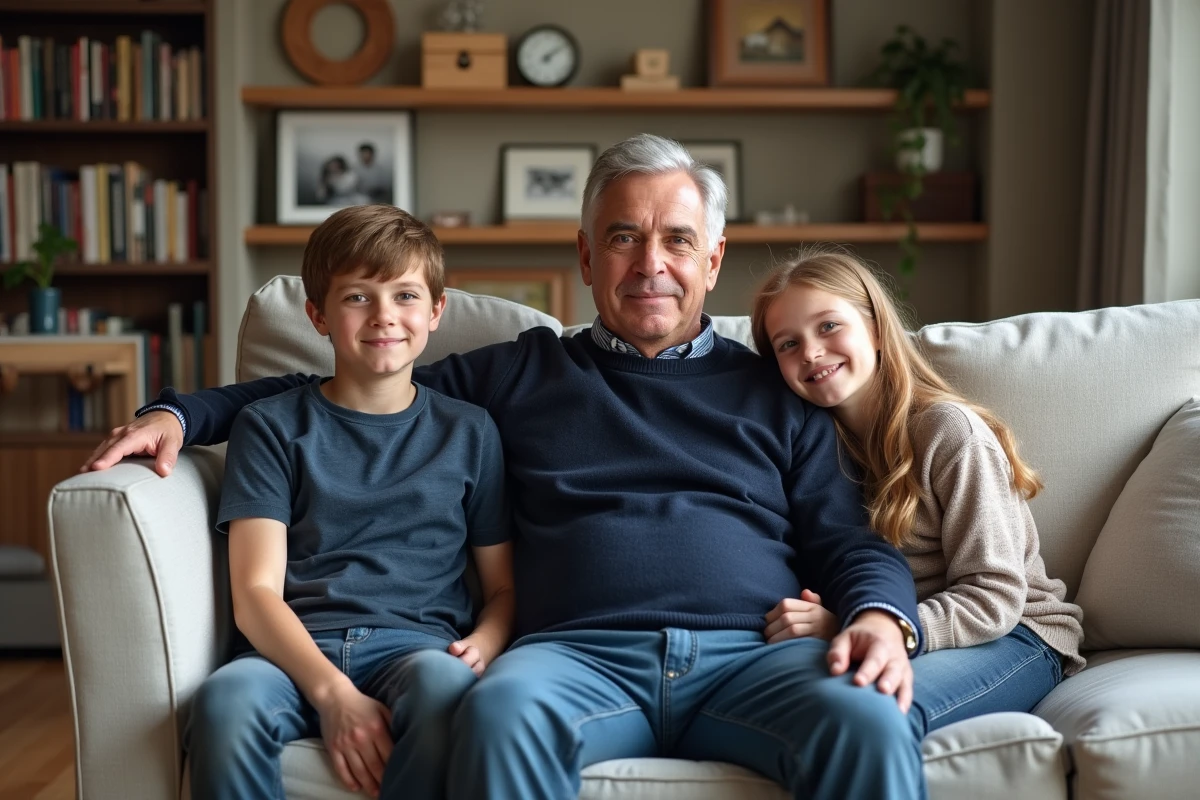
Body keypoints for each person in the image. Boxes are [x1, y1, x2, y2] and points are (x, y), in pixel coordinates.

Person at [84, 134, 927, 800]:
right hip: (574, 660)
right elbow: (348, 387)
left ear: (712, 259)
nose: (650, 264)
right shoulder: (522, 372)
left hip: (751, 656)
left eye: (677, 241)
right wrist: (182, 414)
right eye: (623, 238)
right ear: (586, 257)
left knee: (868, 722)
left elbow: (849, 540)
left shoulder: (777, 385)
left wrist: (883, 616)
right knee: (495, 717)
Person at [185, 204, 514, 800]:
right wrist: (332, 693)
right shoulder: (269, 427)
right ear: (318, 315)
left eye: (406, 296)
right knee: (225, 702)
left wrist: (487, 640)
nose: (384, 316)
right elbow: (255, 593)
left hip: (418, 650)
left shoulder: (472, 433)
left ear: (436, 311)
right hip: (290, 648)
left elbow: (502, 587)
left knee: (446, 693)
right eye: (358, 297)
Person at [750, 248, 1085, 737]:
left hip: (1018, 635)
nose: (812, 353)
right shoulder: (808, 447)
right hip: (893, 631)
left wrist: (862, 624)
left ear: (877, 329)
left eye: (828, 327)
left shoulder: (948, 433)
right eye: (787, 344)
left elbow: (995, 595)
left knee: (870, 717)